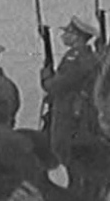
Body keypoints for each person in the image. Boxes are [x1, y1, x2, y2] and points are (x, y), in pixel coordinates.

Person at [41, 16, 100, 192]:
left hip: (69, 109)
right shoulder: (87, 55)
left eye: (67, 32)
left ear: (77, 36)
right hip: (79, 109)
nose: (64, 36)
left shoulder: (75, 56)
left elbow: (57, 85)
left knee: (62, 150)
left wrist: (46, 77)